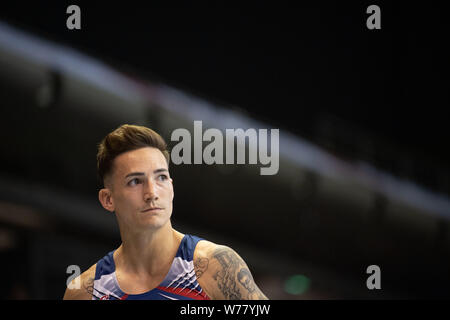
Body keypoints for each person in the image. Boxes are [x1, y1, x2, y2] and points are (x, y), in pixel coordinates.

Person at [63, 124, 268, 300]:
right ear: (108, 199)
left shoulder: (216, 266)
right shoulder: (85, 292)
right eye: (135, 181)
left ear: (171, 187)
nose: (151, 193)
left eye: (160, 177)